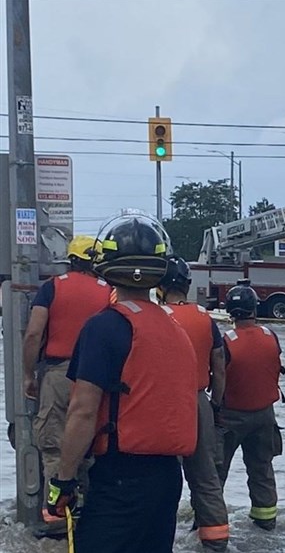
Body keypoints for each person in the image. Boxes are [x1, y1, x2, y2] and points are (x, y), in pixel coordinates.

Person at [47, 212, 198, 553]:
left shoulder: (105, 327)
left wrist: (63, 479)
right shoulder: (175, 329)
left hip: (119, 476)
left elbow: (82, 411)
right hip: (166, 478)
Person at [22, 234, 112, 525]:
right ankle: (89, 513)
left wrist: (28, 374)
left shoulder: (52, 288)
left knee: (53, 445)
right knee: (90, 445)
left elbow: (34, 333)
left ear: (71, 260)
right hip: (98, 378)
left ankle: (59, 517)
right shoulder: (109, 291)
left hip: (59, 374)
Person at [157, 256, 229, 552]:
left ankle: (161, 538)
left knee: (161, 474)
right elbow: (220, 366)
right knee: (206, 476)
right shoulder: (205, 318)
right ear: (187, 286)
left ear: (160, 286)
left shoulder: (157, 317)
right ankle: (216, 539)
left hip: (163, 404)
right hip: (199, 401)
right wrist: (215, 405)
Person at [216, 281, 285, 532]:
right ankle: (266, 523)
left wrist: (214, 408)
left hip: (230, 417)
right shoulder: (270, 336)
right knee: (262, 470)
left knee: (215, 475)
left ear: (230, 312)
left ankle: (209, 525)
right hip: (265, 415)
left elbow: (219, 379)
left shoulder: (225, 341)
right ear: (254, 309)